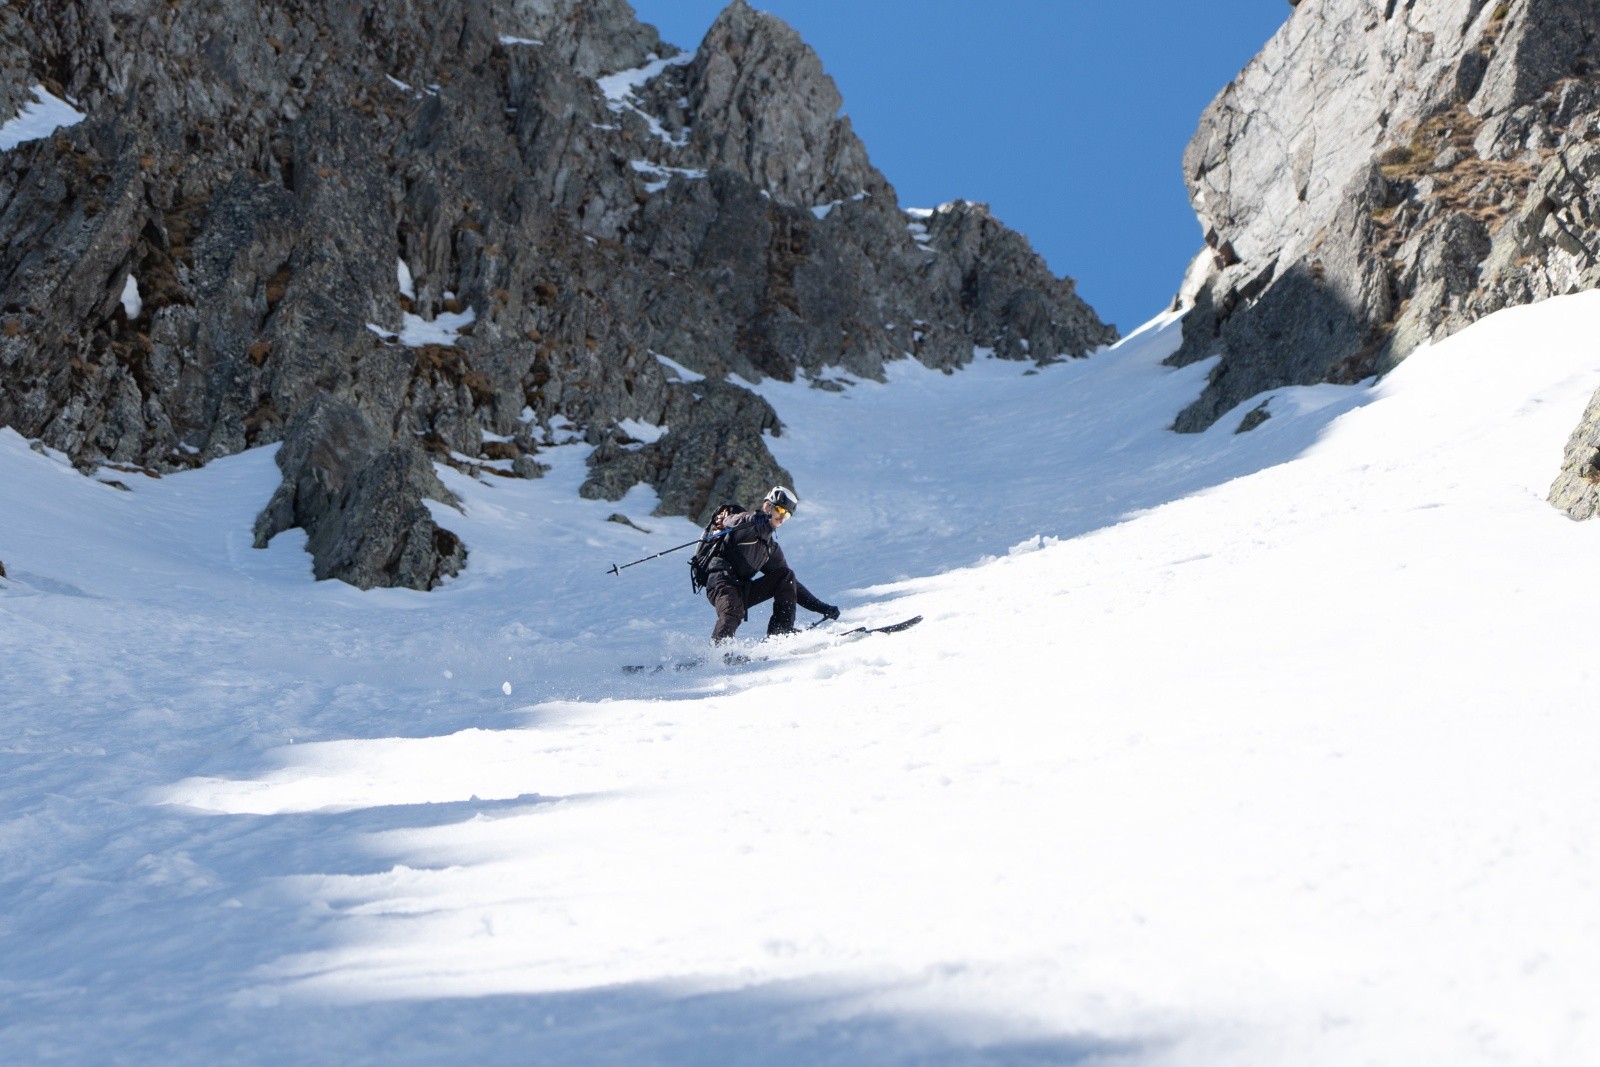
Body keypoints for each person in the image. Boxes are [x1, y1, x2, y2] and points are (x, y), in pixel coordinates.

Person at [703, 486, 839, 642]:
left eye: (787, 514)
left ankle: (779, 634)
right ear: (768, 506)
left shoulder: (770, 548)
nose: (782, 518)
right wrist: (752, 518)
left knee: (785, 576)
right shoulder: (747, 526)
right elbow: (730, 520)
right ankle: (716, 656)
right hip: (720, 582)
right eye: (781, 511)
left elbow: (792, 585)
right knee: (733, 611)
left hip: (742, 589)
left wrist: (821, 607)